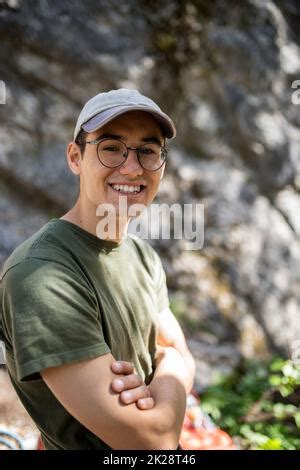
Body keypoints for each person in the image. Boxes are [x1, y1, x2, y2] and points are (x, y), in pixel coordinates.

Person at [0, 88, 195, 450]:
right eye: (111, 147)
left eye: (148, 151)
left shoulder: (142, 256)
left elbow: (178, 351)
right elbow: (152, 441)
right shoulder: (40, 274)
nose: (133, 167)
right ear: (75, 157)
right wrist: (175, 372)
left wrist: (167, 374)